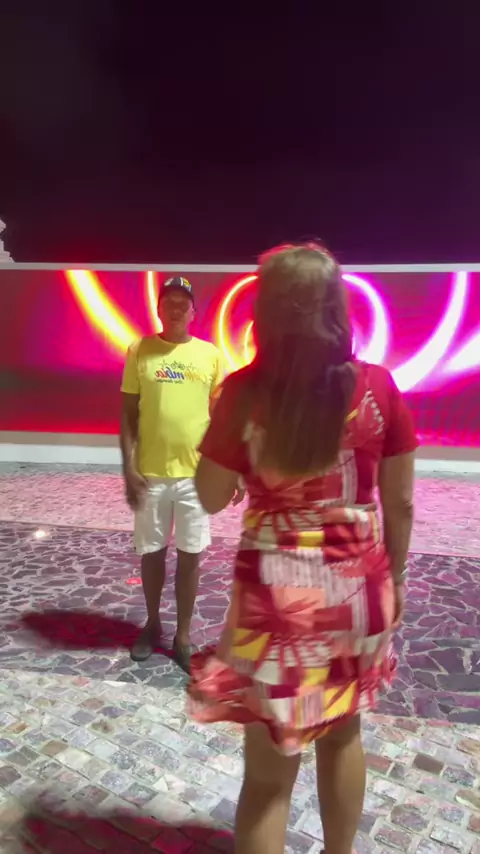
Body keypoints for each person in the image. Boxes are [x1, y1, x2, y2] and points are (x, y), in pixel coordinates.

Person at [189, 244, 417, 854]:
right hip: (359, 589)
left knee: (269, 775)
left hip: (275, 598)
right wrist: (396, 581)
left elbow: (210, 496)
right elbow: (399, 502)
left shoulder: (243, 392)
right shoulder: (378, 387)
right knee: (343, 736)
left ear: (265, 311)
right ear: (337, 308)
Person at [120, 276, 241, 671]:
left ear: (193, 312)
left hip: (196, 477)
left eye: (182, 303)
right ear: (158, 309)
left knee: (191, 556)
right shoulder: (140, 350)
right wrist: (128, 467)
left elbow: (223, 418)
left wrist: (233, 468)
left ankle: (183, 635)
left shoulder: (211, 355)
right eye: (168, 301)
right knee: (152, 553)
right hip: (151, 473)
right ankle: (152, 624)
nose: (175, 308)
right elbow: (128, 415)